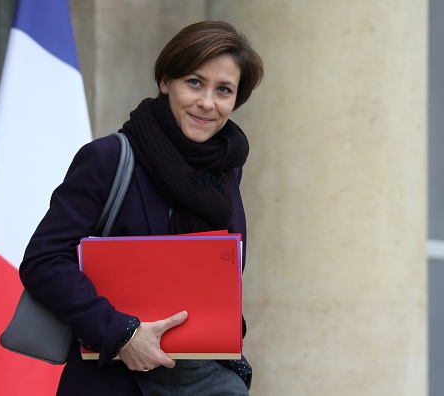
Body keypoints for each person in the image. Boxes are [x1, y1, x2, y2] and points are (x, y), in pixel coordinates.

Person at [19, 20, 264, 395]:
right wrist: (120, 334)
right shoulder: (108, 158)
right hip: (118, 378)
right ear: (166, 81)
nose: (207, 102)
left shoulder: (227, 170)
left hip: (207, 378)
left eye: (224, 90)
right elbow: (44, 260)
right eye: (194, 82)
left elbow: (220, 274)